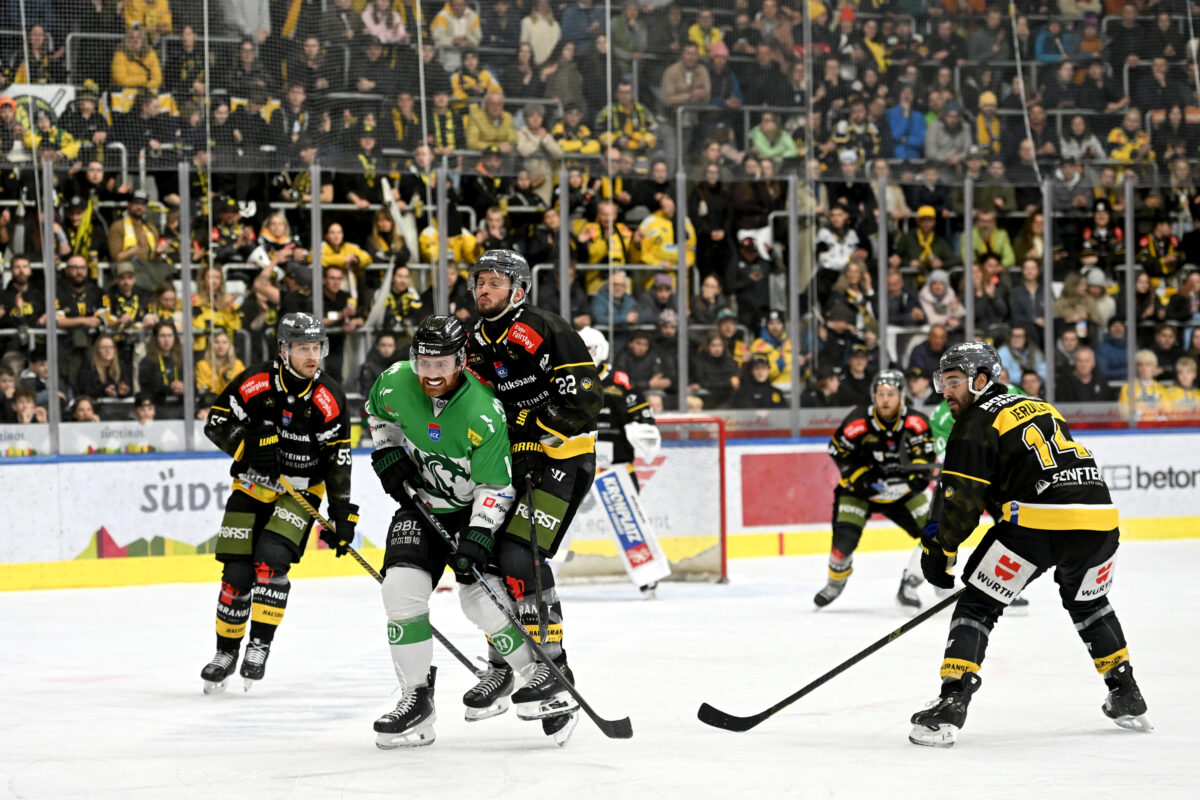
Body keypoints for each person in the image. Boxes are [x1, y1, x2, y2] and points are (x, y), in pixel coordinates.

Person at [911, 342, 1149, 747]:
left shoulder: (973, 422)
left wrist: (940, 552)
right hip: (1100, 521)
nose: (945, 391)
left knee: (978, 604)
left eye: (953, 382)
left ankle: (952, 703)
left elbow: (960, 502)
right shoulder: (1041, 406)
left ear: (981, 380)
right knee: (1090, 603)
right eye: (942, 382)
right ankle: (1126, 692)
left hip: (1037, 524)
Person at [363, 315, 544, 747]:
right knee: (399, 591)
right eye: (424, 362)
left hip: (471, 510)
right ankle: (416, 700)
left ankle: (534, 672)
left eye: (441, 363)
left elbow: (497, 486)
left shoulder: (482, 411)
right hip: (423, 505)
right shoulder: (393, 382)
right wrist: (388, 452)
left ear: (461, 360)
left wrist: (479, 536)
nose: (430, 373)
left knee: (478, 600)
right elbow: (377, 415)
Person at [461, 250, 602, 741]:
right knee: (487, 563)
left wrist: (528, 428)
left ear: (519, 289)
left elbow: (585, 398)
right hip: (506, 462)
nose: (484, 290)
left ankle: (554, 666)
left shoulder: (548, 328)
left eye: (495, 282)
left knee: (521, 555)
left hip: (562, 457)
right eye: (479, 282)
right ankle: (502, 662)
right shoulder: (474, 339)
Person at [198, 313, 356, 695]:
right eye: (303, 348)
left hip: (300, 492)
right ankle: (226, 652)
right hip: (253, 486)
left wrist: (341, 514)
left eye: (316, 347)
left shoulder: (328, 398)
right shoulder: (255, 382)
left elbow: (338, 458)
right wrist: (248, 447)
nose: (312, 356)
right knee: (236, 573)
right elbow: (215, 421)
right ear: (284, 350)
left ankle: (259, 645)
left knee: (270, 562)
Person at [817, 370, 937, 611]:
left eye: (891, 394)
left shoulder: (916, 423)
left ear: (902, 396)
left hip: (901, 493)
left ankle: (911, 583)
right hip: (859, 492)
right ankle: (835, 582)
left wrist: (914, 477)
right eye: (880, 394)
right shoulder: (857, 421)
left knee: (936, 536)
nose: (885, 399)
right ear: (873, 395)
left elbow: (924, 461)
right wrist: (860, 475)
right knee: (842, 547)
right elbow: (837, 450)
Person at [576, 325, 661, 596]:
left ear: (600, 350)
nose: (585, 354)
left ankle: (648, 576)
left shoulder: (620, 380)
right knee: (558, 518)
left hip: (616, 467)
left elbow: (644, 416)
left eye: (589, 349)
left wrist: (641, 430)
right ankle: (540, 572)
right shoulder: (568, 377)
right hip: (576, 462)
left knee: (629, 521)